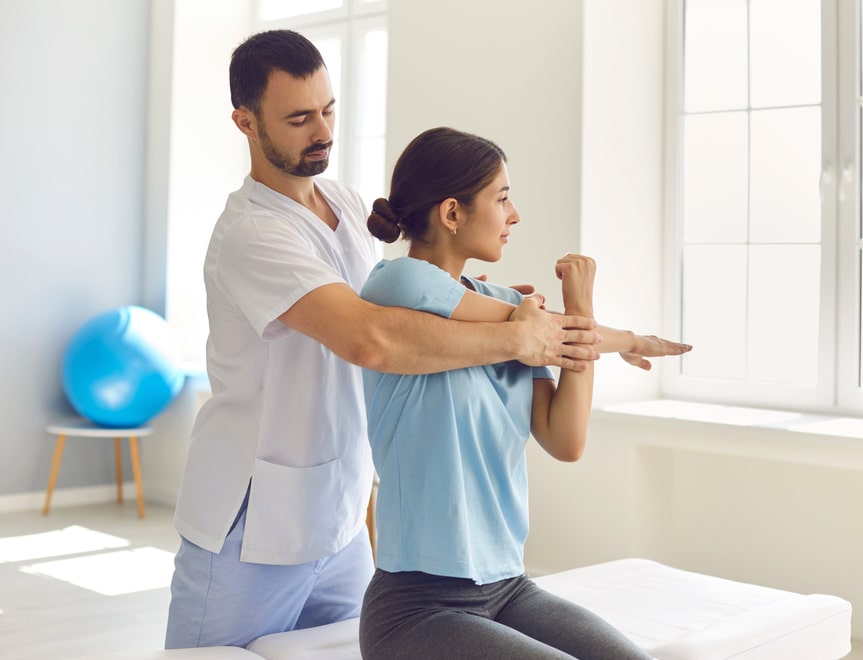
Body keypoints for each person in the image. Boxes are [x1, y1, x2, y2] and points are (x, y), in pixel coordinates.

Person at [164, 30, 612, 650]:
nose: (321, 130)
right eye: (298, 118)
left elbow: (415, 300)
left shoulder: (347, 207)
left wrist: (502, 308)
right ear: (245, 122)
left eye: (328, 110)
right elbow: (371, 339)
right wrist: (518, 337)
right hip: (248, 524)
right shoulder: (253, 232)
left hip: (342, 518)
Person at [359, 127, 690, 658]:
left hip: (509, 588)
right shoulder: (394, 286)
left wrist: (579, 316)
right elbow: (547, 329)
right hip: (416, 606)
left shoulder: (517, 315)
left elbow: (566, 441)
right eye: (502, 198)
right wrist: (599, 330)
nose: (515, 215)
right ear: (451, 213)